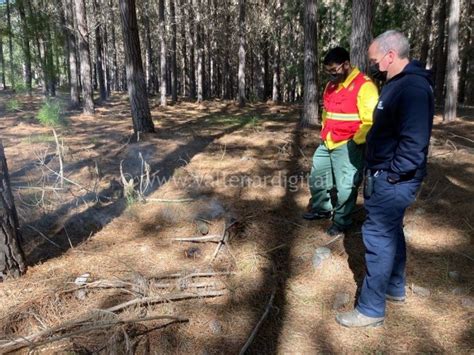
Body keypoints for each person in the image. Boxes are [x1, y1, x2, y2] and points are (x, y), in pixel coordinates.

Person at [336, 30, 434, 327]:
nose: (375, 66)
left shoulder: (412, 89)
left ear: (391, 56)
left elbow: (414, 143)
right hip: (387, 176)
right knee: (391, 232)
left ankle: (370, 310)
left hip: (392, 180)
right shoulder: (397, 85)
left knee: (377, 239)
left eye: (376, 60)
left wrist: (391, 176)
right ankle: (394, 287)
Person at [303, 47, 378, 238]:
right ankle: (322, 208)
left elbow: (370, 121)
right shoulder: (331, 86)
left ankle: (342, 221)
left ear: (346, 65)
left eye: (334, 70)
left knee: (346, 186)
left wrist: (355, 142)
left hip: (348, 143)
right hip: (327, 141)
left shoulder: (365, 85)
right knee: (317, 176)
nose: (331, 75)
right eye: (328, 71)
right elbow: (327, 113)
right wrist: (324, 132)